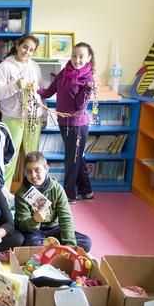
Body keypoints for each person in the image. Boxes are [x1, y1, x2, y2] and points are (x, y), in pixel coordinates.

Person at [38, 42, 96, 203]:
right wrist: (34, 89)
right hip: (63, 122)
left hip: (77, 125)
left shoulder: (88, 78)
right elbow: (49, 92)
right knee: (77, 158)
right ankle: (87, 191)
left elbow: (79, 105)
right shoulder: (64, 72)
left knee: (72, 159)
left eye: (81, 57)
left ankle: (69, 194)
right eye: (74, 56)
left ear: (88, 58)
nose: (77, 60)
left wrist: (88, 90)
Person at [0, 34, 45, 190]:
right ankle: (5, 193)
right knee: (10, 157)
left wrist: (43, 113)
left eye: (31, 50)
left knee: (33, 157)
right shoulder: (4, 66)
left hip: (33, 119)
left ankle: (33, 192)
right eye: (25, 47)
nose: (27, 52)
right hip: (12, 118)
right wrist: (15, 85)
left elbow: (40, 92)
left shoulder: (35, 66)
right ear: (17, 45)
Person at [14, 151, 92, 251]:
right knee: (32, 244)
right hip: (35, 232)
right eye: (29, 171)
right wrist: (34, 220)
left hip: (54, 229)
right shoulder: (21, 193)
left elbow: (66, 218)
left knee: (86, 242)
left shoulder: (57, 189)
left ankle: (52, 251)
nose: (33, 175)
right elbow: (21, 225)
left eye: (37, 170)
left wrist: (69, 245)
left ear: (46, 169)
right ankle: (53, 250)